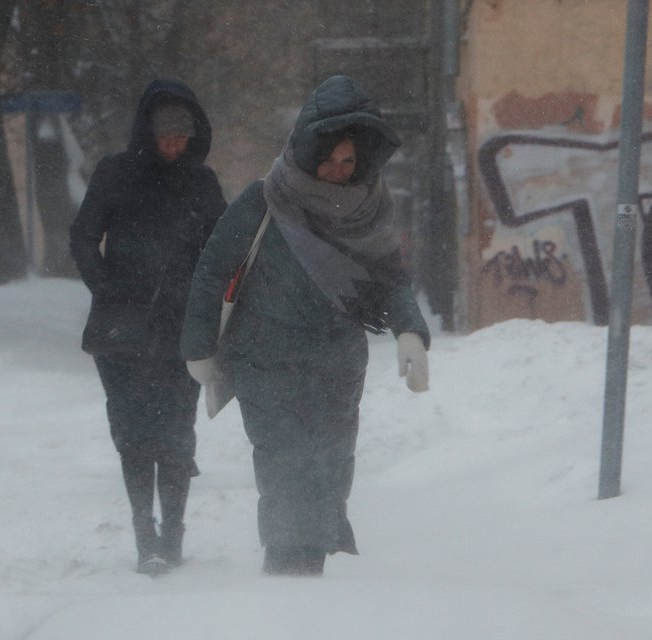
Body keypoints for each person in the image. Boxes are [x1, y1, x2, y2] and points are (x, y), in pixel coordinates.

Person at [180, 75, 430, 576]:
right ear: (306, 150)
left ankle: (305, 571)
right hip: (264, 356)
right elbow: (213, 268)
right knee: (284, 463)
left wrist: (410, 331)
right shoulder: (264, 200)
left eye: (348, 162)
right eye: (328, 159)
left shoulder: (369, 208)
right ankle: (288, 576)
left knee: (331, 467)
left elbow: (389, 277)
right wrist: (199, 346)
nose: (337, 172)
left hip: (336, 364)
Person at [70, 79, 227, 576]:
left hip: (182, 330)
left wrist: (206, 301)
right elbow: (82, 236)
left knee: (177, 433)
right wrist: (108, 289)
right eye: (166, 137)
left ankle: (173, 535)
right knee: (135, 434)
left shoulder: (201, 183)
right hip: (122, 332)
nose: (174, 146)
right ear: (148, 133)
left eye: (183, 137)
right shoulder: (115, 174)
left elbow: (221, 251)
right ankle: (145, 536)